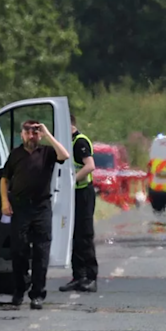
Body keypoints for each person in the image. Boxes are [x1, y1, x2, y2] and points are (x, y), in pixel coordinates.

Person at [0, 120, 69, 309]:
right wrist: (4, 202)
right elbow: (4, 179)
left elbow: (65, 155)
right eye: (28, 132)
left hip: (41, 207)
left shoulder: (47, 152)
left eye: (35, 133)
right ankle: (19, 290)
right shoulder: (16, 154)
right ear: (22, 134)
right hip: (20, 207)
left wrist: (47, 134)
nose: (32, 136)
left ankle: (37, 294)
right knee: (19, 250)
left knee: (41, 251)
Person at [59, 114, 98, 293]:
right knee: (73, 235)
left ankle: (90, 277)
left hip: (83, 193)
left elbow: (89, 165)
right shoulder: (67, 142)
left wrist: (71, 180)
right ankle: (78, 276)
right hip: (73, 193)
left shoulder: (80, 142)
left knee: (85, 234)